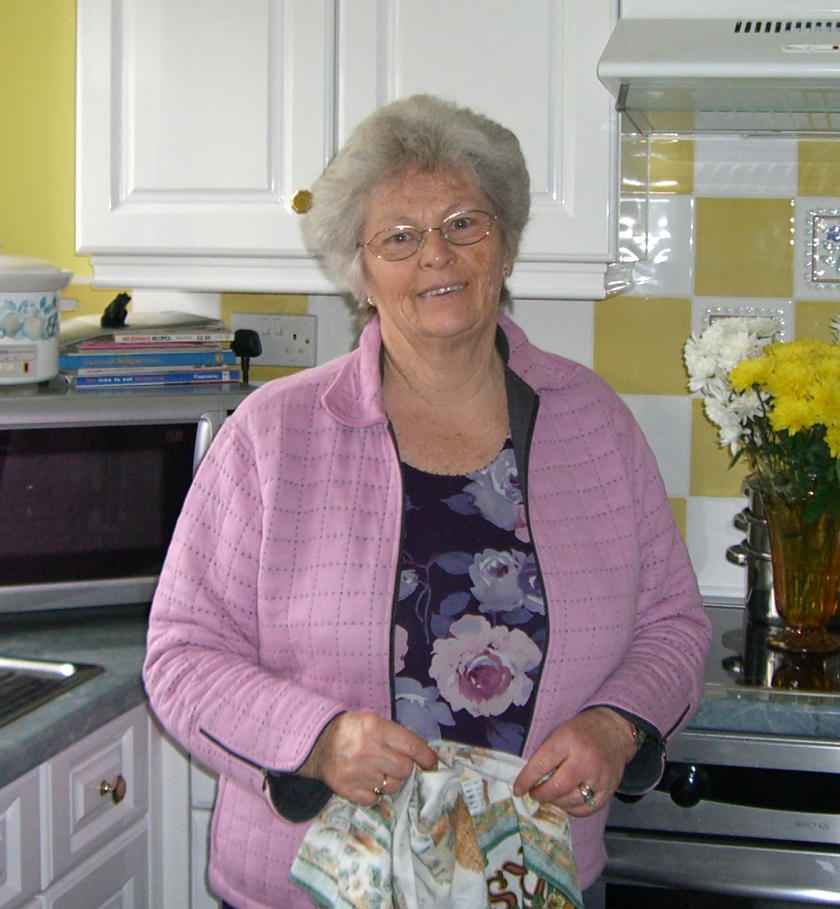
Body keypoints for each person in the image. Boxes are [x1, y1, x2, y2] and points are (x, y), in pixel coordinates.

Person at [143, 94, 712, 909]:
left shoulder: (592, 419)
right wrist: (317, 740)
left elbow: (674, 624)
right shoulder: (274, 432)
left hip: (533, 876)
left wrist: (616, 726)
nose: (435, 256)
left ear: (505, 245)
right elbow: (181, 654)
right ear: (361, 271)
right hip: (312, 884)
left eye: (463, 224)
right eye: (399, 238)